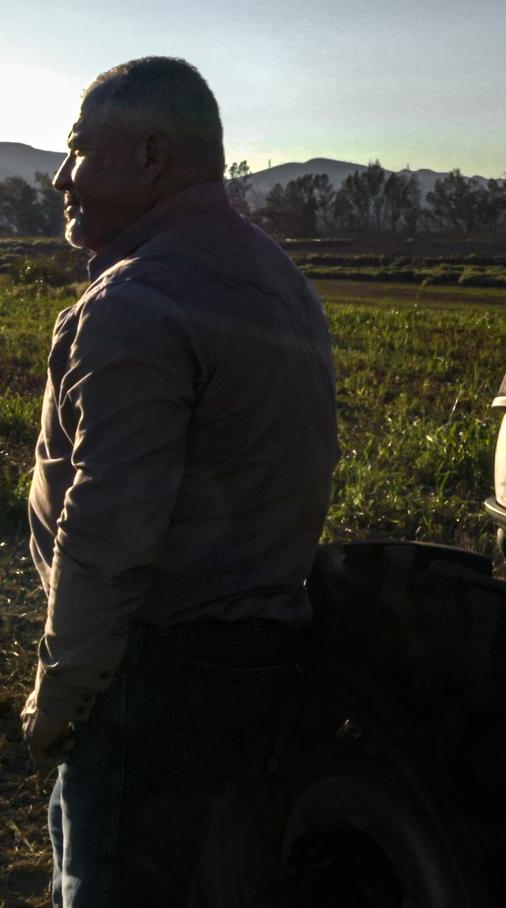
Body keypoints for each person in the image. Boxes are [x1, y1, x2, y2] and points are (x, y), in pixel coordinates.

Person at [20, 57, 339, 906]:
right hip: (256, 658)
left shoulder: (139, 300)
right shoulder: (276, 276)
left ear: (153, 157)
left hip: (155, 675)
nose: (62, 178)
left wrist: (61, 693)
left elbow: (109, 535)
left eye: (81, 151)